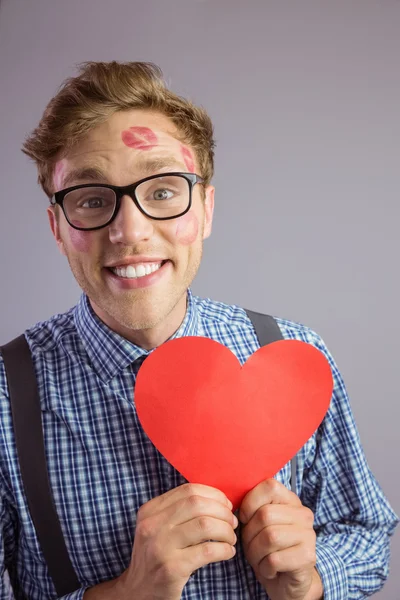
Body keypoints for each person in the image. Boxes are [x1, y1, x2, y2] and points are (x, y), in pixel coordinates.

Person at [0, 61, 398, 600]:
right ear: (57, 227)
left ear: (206, 208)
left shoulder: (292, 354)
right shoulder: (5, 395)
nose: (129, 231)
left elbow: (366, 535)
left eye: (163, 191)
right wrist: (126, 592)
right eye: (92, 199)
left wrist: (312, 580)